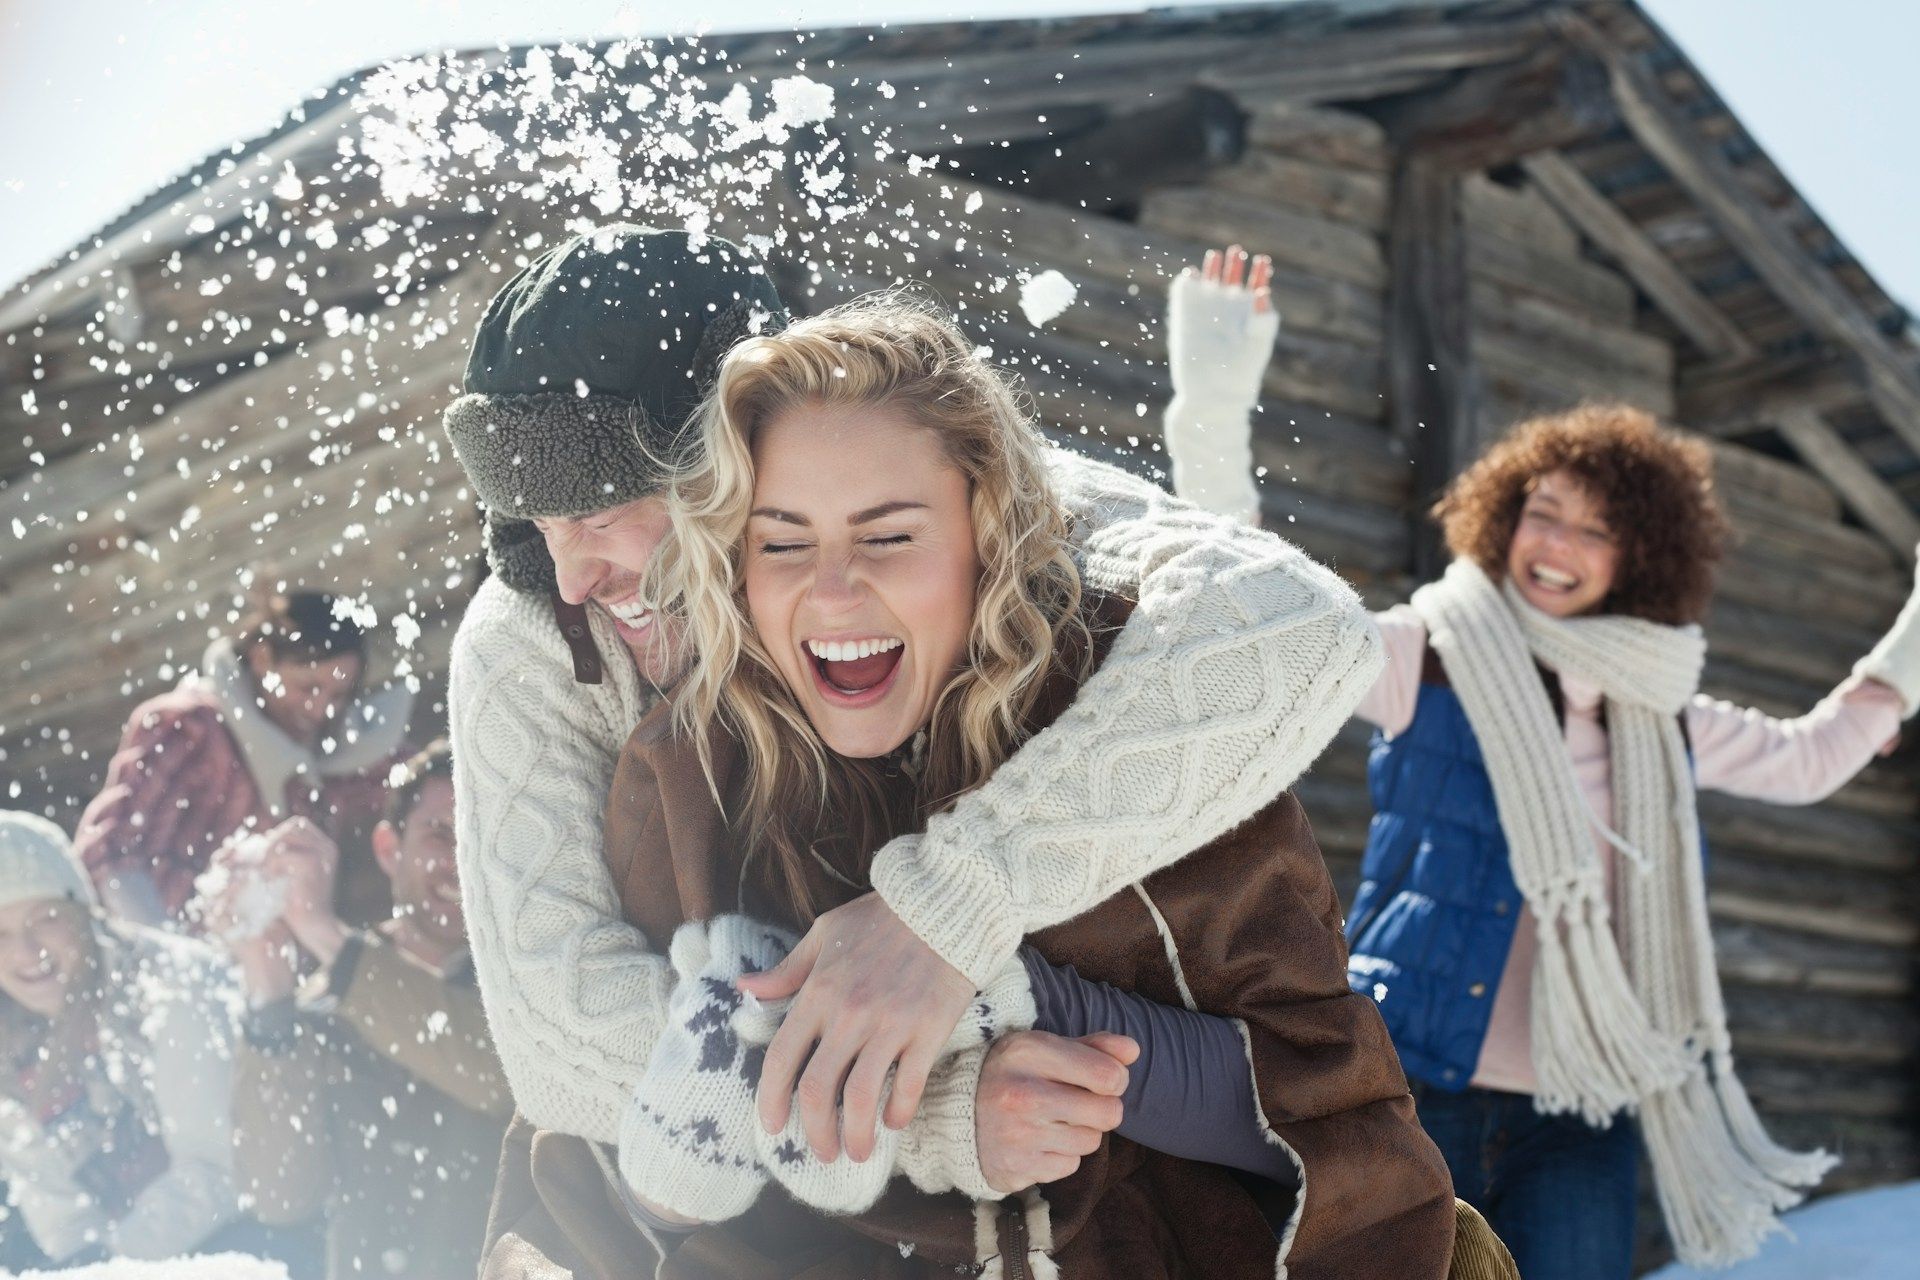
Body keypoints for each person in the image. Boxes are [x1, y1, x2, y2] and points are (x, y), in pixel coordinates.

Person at [440, 222, 1384, 1188]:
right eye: (538, 525)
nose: (569, 575)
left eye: (600, 516)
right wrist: (911, 1110)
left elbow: (1302, 628)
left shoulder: (952, 499)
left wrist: (943, 910)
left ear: (732, 465)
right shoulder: (530, 645)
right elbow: (556, 1034)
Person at [1165, 249, 1920, 1276]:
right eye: (1544, 512)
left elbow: (1810, 755)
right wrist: (1213, 404)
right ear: (1505, 513)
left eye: (1595, 529)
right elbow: (1266, 618)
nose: (1557, 543)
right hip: (1407, 1079)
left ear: (1641, 557)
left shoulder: (1659, 715)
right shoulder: (1426, 657)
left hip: (1580, 1108)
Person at [210, 740, 511, 1280]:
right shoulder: (328, 997)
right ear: (389, 849)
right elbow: (279, 1196)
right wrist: (269, 989)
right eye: (439, 833)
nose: (460, 856)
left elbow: (493, 1077)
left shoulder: (524, 983)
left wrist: (324, 934)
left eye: (480, 833)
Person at [73, 589, 413, 929]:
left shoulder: (352, 753)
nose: (322, 709)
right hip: (179, 945)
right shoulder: (189, 729)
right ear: (262, 659)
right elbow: (110, 851)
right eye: (307, 687)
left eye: (339, 695)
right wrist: (168, 959)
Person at [0, 810, 243, 1266]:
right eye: (1, 933)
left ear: (84, 912)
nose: (25, 952)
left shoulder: (171, 986)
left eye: (45, 919)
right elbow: (54, 1205)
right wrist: (82, 1263)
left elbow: (219, 1170)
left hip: (247, 1242)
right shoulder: (9, 1038)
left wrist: (112, 1263)